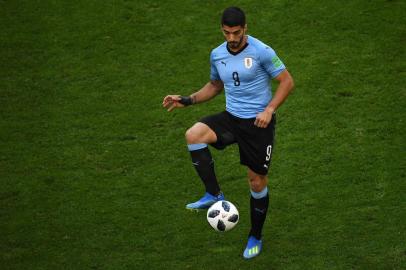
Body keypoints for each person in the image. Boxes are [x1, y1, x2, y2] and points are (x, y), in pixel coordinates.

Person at [162, 6, 294, 259]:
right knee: (194, 135)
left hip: (258, 124)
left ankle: (255, 235)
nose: (231, 38)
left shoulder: (262, 52)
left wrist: (269, 109)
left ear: (245, 28)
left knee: (256, 182)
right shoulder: (217, 54)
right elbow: (215, 85)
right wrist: (188, 99)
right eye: (226, 33)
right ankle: (213, 194)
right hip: (231, 118)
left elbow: (287, 81)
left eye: (236, 32)